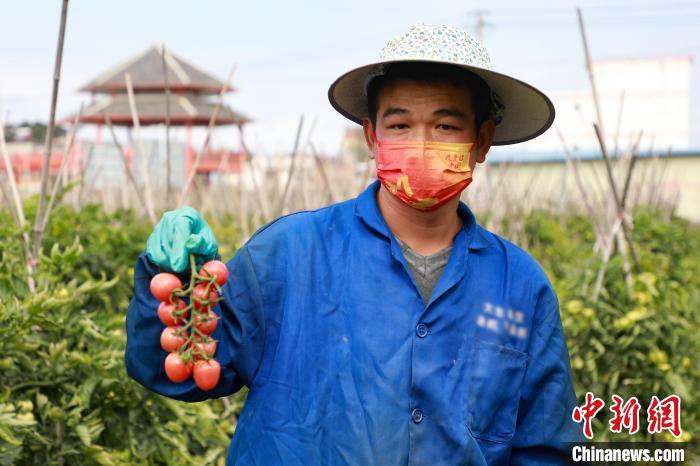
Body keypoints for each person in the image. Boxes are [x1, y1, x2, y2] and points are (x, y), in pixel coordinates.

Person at [125, 23, 584, 465]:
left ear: (481, 141)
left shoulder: (519, 286)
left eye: (445, 127)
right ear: (372, 137)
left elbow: (545, 447)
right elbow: (182, 371)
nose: (420, 144)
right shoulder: (290, 254)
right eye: (400, 126)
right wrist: (171, 276)